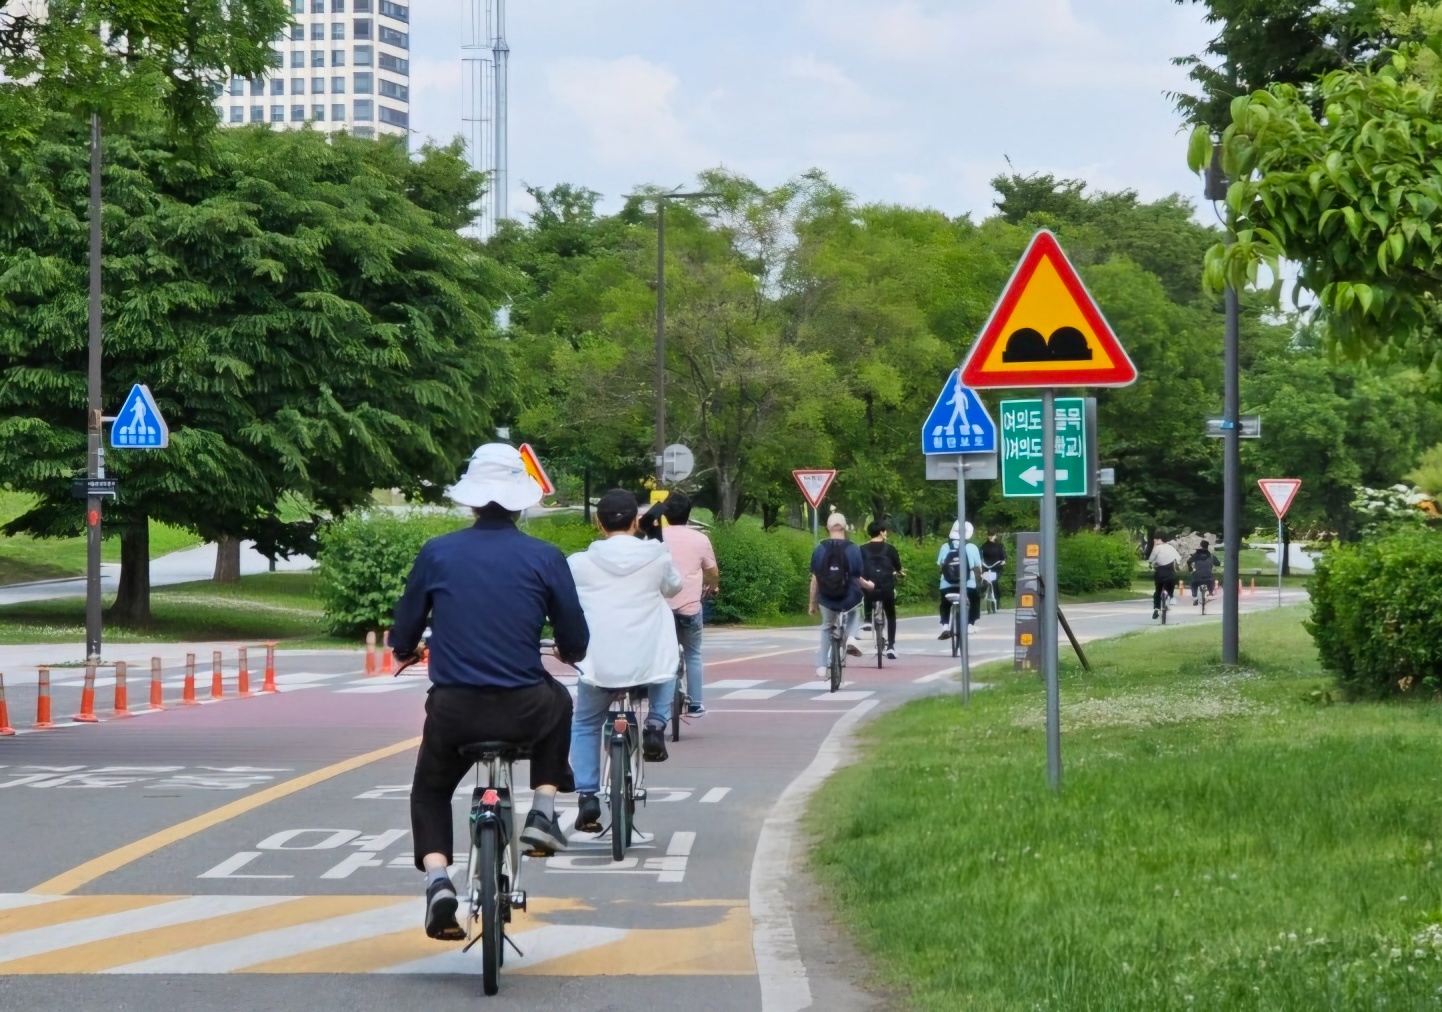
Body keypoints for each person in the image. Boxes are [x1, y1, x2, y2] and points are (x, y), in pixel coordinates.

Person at [391, 443, 588, 942]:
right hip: (524, 706)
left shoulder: (437, 552)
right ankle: (544, 809)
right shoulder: (545, 556)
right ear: (521, 502)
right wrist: (566, 650)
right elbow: (575, 638)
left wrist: (408, 648)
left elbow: (403, 632)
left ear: (472, 501)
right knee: (560, 701)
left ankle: (439, 883)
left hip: (455, 710)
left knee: (431, 789)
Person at [567, 489, 684, 835]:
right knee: (668, 658)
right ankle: (656, 725)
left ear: (597, 524)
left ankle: (587, 795)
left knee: (586, 723)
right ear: (636, 521)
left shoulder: (577, 563)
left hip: (599, 663)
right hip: (648, 661)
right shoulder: (656, 555)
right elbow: (674, 589)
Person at [661, 492, 719, 717]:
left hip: (661, 608)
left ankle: (663, 703)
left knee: (665, 655)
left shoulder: (655, 538)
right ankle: (695, 704)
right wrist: (713, 587)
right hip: (690, 607)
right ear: (688, 513)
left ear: (666, 514)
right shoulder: (700, 539)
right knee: (693, 653)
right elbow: (712, 571)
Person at [808, 513, 875, 677]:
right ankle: (852, 637)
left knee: (826, 626)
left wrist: (812, 603)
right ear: (844, 528)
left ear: (828, 528)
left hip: (826, 597)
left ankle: (822, 666)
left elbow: (815, 578)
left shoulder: (819, 549)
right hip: (848, 597)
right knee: (855, 608)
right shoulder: (853, 548)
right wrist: (869, 585)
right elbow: (857, 577)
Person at [859, 519, 904, 659]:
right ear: (881, 532)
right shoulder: (890, 549)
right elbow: (898, 567)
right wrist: (900, 572)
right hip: (886, 587)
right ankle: (890, 646)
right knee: (891, 614)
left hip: (869, 586)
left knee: (866, 593)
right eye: (885, 531)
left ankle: (867, 619)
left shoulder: (862, 549)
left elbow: (858, 568)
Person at [936, 520, 984, 639]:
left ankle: (945, 626)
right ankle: (969, 624)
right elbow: (977, 568)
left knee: (944, 603)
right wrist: (980, 577)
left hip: (947, 585)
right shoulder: (971, 547)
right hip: (967, 585)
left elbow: (941, 565)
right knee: (974, 599)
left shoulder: (945, 546)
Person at [1148, 534, 1182, 618]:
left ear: (1160, 540)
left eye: (1156, 540)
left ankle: (1156, 609)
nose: (1155, 542)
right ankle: (1171, 597)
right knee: (1172, 582)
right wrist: (1178, 564)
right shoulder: (1172, 548)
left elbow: (1150, 559)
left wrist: (1150, 564)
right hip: (1170, 571)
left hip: (1160, 572)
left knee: (1157, 591)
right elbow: (1178, 559)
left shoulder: (1157, 548)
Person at [1187, 539, 1219, 605]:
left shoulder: (1196, 555)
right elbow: (1218, 563)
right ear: (1208, 546)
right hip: (1208, 577)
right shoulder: (1211, 556)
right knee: (1211, 582)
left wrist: (1190, 569)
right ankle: (1210, 593)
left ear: (1200, 545)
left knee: (1193, 584)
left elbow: (1188, 561)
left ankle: (1195, 598)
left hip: (1197, 577)